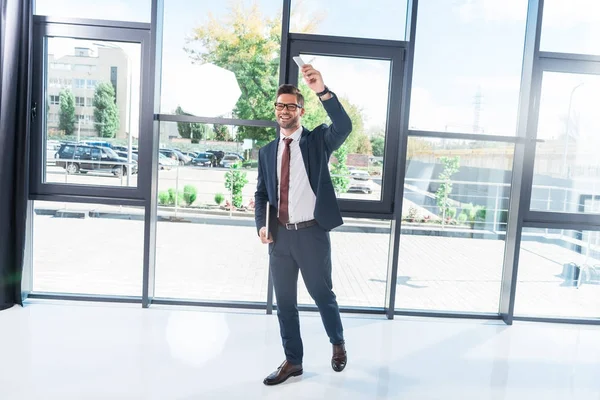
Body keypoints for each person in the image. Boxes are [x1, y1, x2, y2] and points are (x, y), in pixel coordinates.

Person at [254, 64, 352, 386]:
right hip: (280, 239)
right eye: (280, 105)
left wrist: (322, 89)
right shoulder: (267, 151)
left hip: (312, 234)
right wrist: (261, 225)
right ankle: (293, 361)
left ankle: (337, 343)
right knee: (284, 303)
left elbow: (344, 124)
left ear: (301, 110)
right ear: (276, 109)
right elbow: (262, 193)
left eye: (290, 105)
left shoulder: (317, 141)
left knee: (323, 295)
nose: (284, 110)